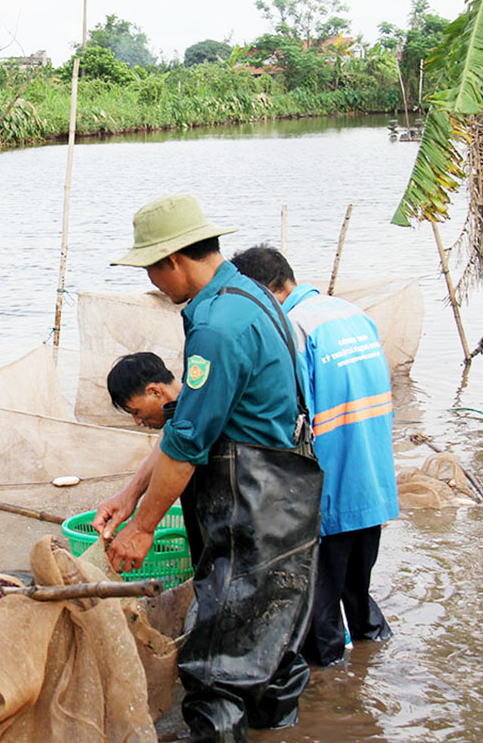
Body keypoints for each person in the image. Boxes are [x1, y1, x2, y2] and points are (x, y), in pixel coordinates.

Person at [93, 194, 323, 742]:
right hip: (284, 503)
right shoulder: (248, 292)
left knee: (218, 666)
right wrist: (130, 494)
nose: (152, 281)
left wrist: (142, 528)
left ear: (172, 260)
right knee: (271, 646)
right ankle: (280, 732)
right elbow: (189, 422)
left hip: (250, 510)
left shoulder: (217, 327)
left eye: (151, 267)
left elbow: (190, 444)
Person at [231, 245, 397, 668]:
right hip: (373, 473)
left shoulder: (292, 328)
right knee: (358, 584)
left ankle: (334, 686)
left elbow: (291, 412)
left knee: (319, 595)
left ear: (267, 292)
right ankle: (372, 646)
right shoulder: (352, 314)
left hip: (328, 480)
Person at [106, 352, 180, 430]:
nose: (138, 422)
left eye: (136, 412)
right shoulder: (175, 422)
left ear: (154, 392)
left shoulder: (191, 415)